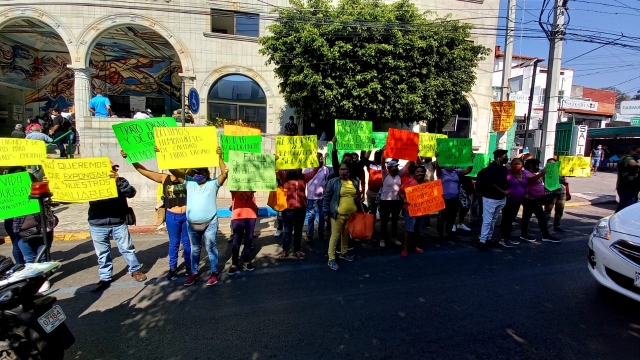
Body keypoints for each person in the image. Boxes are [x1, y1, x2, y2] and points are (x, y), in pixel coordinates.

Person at [121, 150, 191, 280]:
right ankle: (173, 268)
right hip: (172, 216)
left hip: (187, 216)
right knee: (174, 243)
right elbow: (145, 172)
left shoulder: (187, 179)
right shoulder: (165, 178)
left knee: (187, 243)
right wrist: (131, 158)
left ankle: (188, 266)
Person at [168, 148, 228, 286]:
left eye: (200, 172)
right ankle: (194, 273)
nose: (197, 175)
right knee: (195, 249)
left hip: (210, 223)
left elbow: (224, 172)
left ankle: (214, 272)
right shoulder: (189, 182)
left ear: (206, 173)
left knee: (210, 247)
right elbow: (173, 171)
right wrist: (163, 155)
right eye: (195, 172)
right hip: (192, 224)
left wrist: (219, 157)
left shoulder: (213, 184)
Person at [89, 160, 147, 292]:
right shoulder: (91, 183)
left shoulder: (121, 181)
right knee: (102, 253)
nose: (114, 171)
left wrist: (119, 183)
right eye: (111, 169)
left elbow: (131, 193)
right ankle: (105, 277)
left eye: (115, 169)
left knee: (127, 248)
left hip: (118, 222)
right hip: (97, 223)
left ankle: (135, 270)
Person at [276, 166, 320, 259]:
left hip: (301, 209)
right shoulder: (284, 177)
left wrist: (316, 160)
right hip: (288, 210)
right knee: (287, 231)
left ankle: (297, 250)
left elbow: (314, 171)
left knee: (298, 231)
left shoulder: (304, 177)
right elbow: (277, 171)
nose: (295, 169)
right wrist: (276, 161)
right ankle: (285, 250)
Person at [323, 162, 360, 270]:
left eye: (345, 169)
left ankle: (343, 253)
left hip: (351, 215)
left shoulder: (354, 182)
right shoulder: (333, 182)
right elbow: (326, 198)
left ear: (349, 171)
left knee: (345, 235)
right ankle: (331, 259)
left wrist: (358, 199)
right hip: (337, 215)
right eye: (341, 169)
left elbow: (355, 197)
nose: (343, 171)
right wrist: (326, 213)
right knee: (335, 236)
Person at [476, 149, 509, 250]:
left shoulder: (503, 169)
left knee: (494, 219)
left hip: (500, 198)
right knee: (487, 220)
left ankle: (488, 237)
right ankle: (482, 241)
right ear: (498, 158)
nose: (506, 158)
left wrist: (505, 191)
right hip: (490, 198)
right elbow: (491, 184)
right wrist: (503, 192)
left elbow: (504, 182)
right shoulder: (490, 170)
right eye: (504, 157)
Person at [434, 154, 473, 239]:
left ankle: (449, 233)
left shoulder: (456, 172)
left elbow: (468, 170)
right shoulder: (441, 172)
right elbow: (437, 167)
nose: (450, 165)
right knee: (442, 217)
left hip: (454, 199)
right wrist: (437, 157)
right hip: (444, 199)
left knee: (451, 217)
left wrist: (471, 159)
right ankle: (439, 233)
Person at [520, 159, 559, 243]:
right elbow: (530, 180)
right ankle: (542, 235)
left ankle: (544, 234)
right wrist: (541, 173)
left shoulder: (533, 173)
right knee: (536, 217)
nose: (537, 167)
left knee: (533, 217)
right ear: (531, 166)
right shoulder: (525, 173)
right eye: (536, 165)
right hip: (531, 200)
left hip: (537, 199)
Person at [378, 158, 407, 248]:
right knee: (384, 221)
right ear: (389, 168)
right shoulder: (385, 174)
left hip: (397, 201)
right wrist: (383, 153)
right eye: (394, 167)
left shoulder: (399, 174)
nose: (396, 168)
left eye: (396, 166)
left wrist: (415, 153)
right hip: (385, 201)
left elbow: (407, 165)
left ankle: (394, 238)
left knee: (395, 221)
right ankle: (382, 239)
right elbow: (382, 162)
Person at [399, 165, 427, 257]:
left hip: (422, 210)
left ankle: (415, 246)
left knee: (418, 229)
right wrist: (404, 199)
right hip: (410, 209)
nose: (420, 173)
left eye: (422, 172)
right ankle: (405, 249)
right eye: (418, 171)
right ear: (414, 173)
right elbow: (400, 192)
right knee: (409, 229)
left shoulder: (427, 183)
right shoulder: (410, 181)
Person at [500, 158, 527, 247]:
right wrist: (505, 192)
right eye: (514, 164)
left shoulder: (523, 173)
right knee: (506, 219)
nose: (516, 165)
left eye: (518, 164)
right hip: (509, 200)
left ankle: (508, 237)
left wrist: (525, 193)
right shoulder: (507, 173)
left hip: (518, 201)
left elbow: (525, 184)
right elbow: (502, 184)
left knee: (511, 219)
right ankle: (504, 238)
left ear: (522, 165)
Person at [229, 190, 257, 275]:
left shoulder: (252, 186)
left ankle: (246, 260)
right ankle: (234, 263)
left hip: (251, 215)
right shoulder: (234, 188)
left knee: (248, 239)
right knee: (236, 241)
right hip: (237, 216)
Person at [304, 152, 331, 241]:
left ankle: (321, 233)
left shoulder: (325, 169)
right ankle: (310, 234)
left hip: (322, 198)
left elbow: (327, 182)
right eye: (318, 158)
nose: (320, 160)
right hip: (311, 198)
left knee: (322, 216)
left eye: (321, 158)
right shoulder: (308, 169)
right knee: (311, 216)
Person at [543, 158, 568, 232]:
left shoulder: (560, 171)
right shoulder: (545, 171)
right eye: (549, 163)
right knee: (548, 210)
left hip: (561, 193)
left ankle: (557, 225)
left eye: (553, 163)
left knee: (559, 210)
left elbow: (564, 181)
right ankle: (544, 226)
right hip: (550, 193)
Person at [615, 145, 640, 213]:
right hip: (625, 186)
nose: (639, 154)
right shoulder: (627, 158)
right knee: (625, 206)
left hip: (633, 187)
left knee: (631, 206)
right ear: (631, 151)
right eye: (638, 152)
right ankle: (615, 220)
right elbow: (633, 164)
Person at [361, 148, 383, 220]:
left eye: (379, 155)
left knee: (383, 212)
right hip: (371, 193)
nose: (377, 156)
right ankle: (371, 228)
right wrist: (370, 147)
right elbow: (364, 159)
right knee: (371, 212)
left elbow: (395, 159)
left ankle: (383, 229)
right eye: (376, 154)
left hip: (383, 193)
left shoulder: (386, 165)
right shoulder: (370, 163)